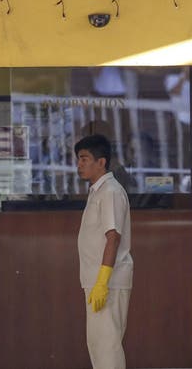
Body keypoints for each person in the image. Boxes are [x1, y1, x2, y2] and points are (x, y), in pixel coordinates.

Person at [75, 134, 133, 369]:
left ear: (101, 162)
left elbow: (114, 237)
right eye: (78, 159)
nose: (79, 164)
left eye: (84, 159)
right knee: (99, 345)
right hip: (97, 282)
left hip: (107, 283)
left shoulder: (110, 191)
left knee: (107, 347)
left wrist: (102, 281)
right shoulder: (98, 191)